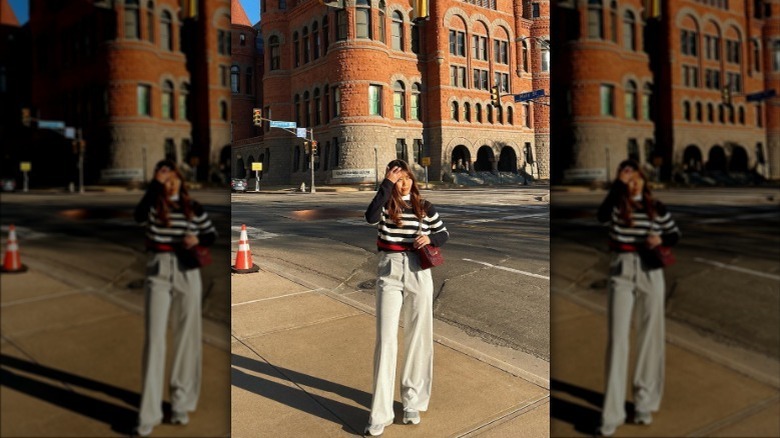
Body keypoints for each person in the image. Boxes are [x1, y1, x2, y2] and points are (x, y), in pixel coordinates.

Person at [363, 160, 449, 436]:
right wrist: (385, 185)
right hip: (389, 269)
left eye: (407, 178)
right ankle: (380, 413)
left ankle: (412, 401)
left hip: (418, 270)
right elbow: (370, 217)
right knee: (386, 340)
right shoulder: (386, 204)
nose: (404, 183)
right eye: (398, 179)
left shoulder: (424, 206)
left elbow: (444, 233)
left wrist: (431, 239)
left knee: (418, 337)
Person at [596, 159, 680, 436]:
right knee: (618, 340)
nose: (632, 182)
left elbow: (674, 234)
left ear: (643, 180)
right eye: (627, 178)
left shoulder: (656, 208)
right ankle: (612, 413)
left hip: (650, 271)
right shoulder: (618, 206)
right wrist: (617, 184)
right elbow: (601, 215)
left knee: (649, 338)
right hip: (621, 268)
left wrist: (662, 241)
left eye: (635, 178)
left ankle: (644, 402)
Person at [133, 160, 217, 436]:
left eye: (172, 178)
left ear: (180, 180)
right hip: (157, 269)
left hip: (186, 272)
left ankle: (181, 404)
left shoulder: (193, 208)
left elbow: (210, 234)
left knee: (186, 338)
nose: (169, 182)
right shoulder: (154, 206)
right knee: (154, 340)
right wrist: (154, 184)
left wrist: (199, 241)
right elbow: (138, 216)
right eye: (164, 178)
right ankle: (148, 415)